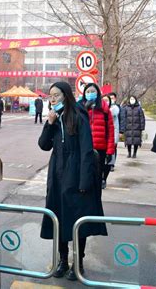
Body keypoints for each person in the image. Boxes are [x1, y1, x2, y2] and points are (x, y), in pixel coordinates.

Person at [38, 81, 107, 281]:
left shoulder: (78, 116)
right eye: (50, 96)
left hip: (76, 175)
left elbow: (86, 150)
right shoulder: (54, 117)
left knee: (78, 221)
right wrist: (49, 124)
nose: (53, 99)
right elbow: (43, 145)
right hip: (57, 176)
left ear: (66, 95)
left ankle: (79, 262)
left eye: (56, 95)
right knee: (58, 218)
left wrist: (85, 181)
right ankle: (63, 260)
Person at [78, 83, 115, 189]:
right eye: (88, 92)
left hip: (100, 150)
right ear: (84, 93)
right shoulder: (79, 108)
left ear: (98, 93)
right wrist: (85, 110)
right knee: (83, 177)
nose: (90, 94)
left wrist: (110, 151)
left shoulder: (104, 109)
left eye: (93, 91)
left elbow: (110, 131)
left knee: (97, 177)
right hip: (83, 148)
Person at [107, 92, 122, 171]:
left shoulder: (116, 108)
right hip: (106, 132)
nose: (110, 100)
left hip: (114, 131)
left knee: (113, 148)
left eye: (112, 98)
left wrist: (121, 132)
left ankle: (112, 164)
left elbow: (120, 119)